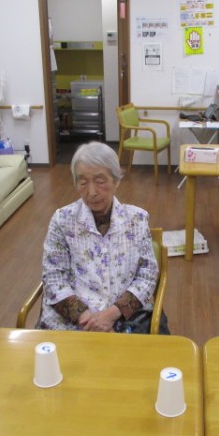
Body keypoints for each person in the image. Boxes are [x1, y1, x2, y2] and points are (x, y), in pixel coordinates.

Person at [37, 141, 159, 332]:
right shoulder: (62, 220)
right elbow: (54, 277)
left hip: (122, 319)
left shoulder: (137, 219)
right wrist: (86, 319)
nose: (92, 192)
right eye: (83, 182)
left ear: (116, 181)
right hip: (72, 322)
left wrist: (111, 315)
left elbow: (147, 276)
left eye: (100, 181)